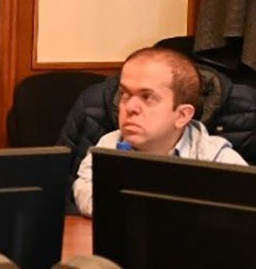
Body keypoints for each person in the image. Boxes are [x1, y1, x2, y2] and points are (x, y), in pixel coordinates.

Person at [72, 46, 246, 217]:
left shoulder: (217, 158)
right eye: (125, 94)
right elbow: (87, 198)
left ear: (182, 115)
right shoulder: (108, 145)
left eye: (147, 97)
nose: (130, 107)